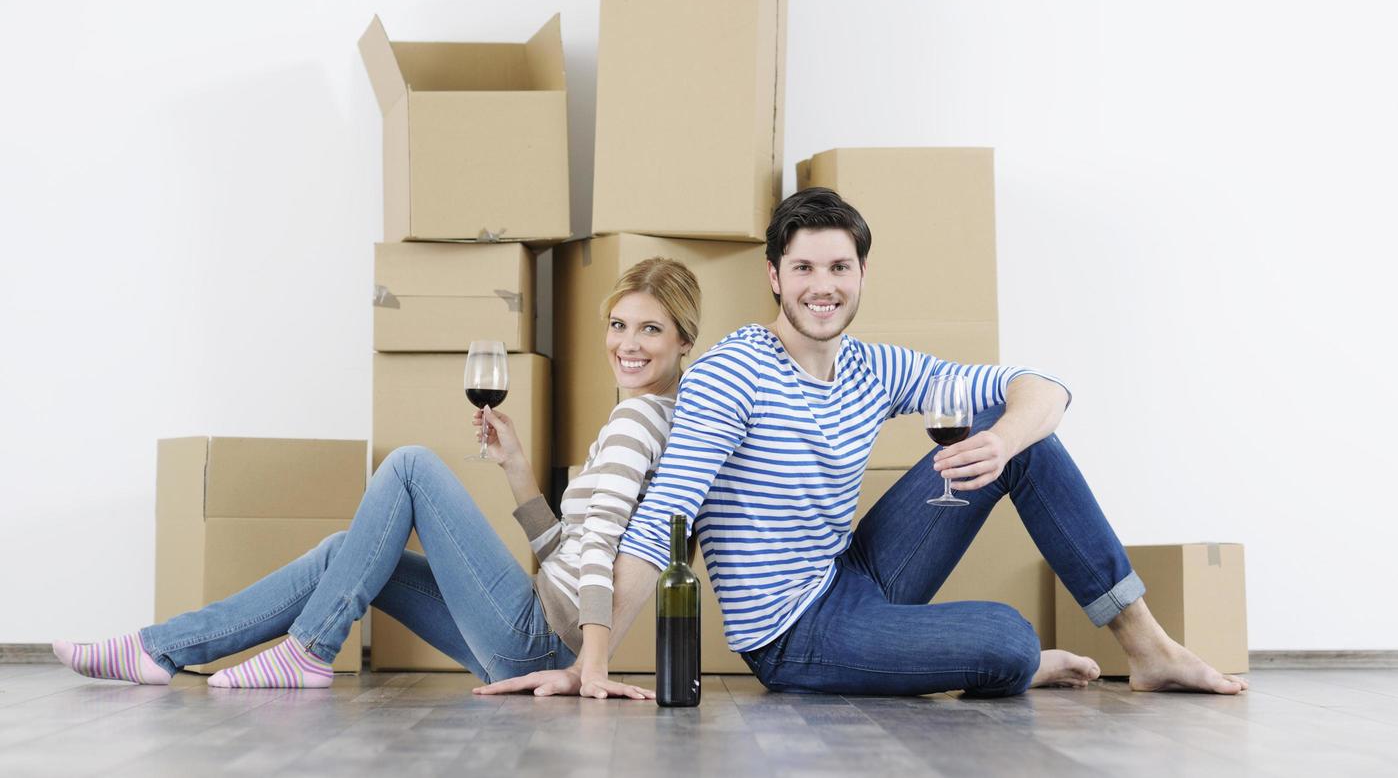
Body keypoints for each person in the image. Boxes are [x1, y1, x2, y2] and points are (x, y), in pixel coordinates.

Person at [486, 188, 1249, 699]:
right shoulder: (730, 374)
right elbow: (661, 524)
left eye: (839, 267)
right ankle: (999, 659)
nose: (825, 286)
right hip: (792, 632)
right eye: (805, 268)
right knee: (1013, 640)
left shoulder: (873, 365)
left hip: (853, 574)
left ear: (860, 273)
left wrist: (1005, 438)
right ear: (775, 279)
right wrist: (588, 664)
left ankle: (1148, 649)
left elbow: (1041, 387)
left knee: (1024, 443)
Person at [54, 258, 702, 700]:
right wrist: (517, 472)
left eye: (651, 328)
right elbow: (575, 552)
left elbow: (598, 550)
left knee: (412, 465)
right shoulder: (657, 418)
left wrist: (590, 665)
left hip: (539, 638)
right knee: (345, 552)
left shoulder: (636, 421)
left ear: (683, 342)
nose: (628, 342)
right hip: (538, 639)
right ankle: (158, 648)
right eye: (618, 324)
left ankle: (310, 647)